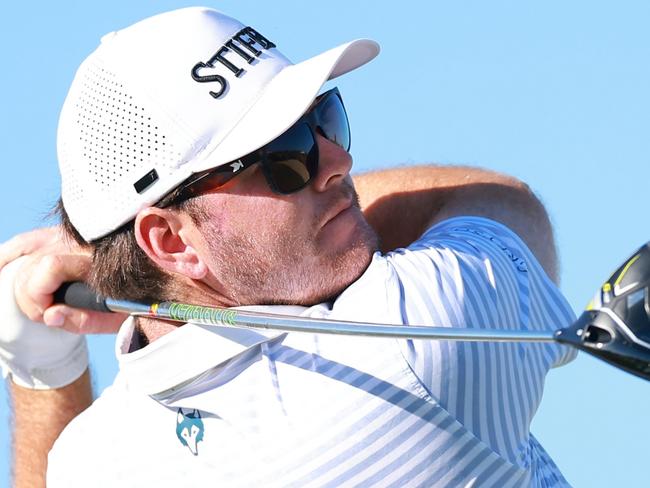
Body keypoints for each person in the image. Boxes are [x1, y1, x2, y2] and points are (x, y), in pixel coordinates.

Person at [0, 6, 576, 488]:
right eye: (287, 156)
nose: (340, 162)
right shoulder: (418, 335)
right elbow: (501, 200)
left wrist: (43, 366)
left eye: (323, 119)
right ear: (171, 240)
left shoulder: (93, 461)